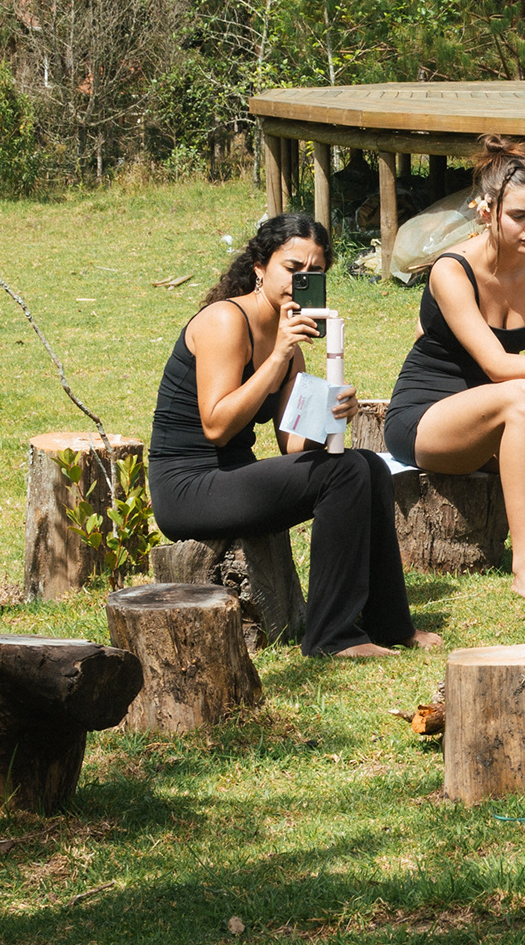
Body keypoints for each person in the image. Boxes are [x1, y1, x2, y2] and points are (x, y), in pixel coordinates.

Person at [147, 213, 428, 660]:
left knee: (368, 465)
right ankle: (331, 637)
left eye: (315, 272)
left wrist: (332, 415)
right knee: (347, 471)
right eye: (293, 268)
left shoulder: (289, 341)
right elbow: (216, 427)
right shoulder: (225, 320)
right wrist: (278, 357)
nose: (302, 281)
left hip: (232, 478)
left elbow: (293, 446)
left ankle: (390, 624)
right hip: (186, 487)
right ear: (260, 267)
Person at [384, 138, 525, 610]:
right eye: (519, 216)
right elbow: (498, 366)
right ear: (487, 211)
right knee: (522, 393)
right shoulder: (451, 270)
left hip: (502, 424)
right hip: (427, 420)